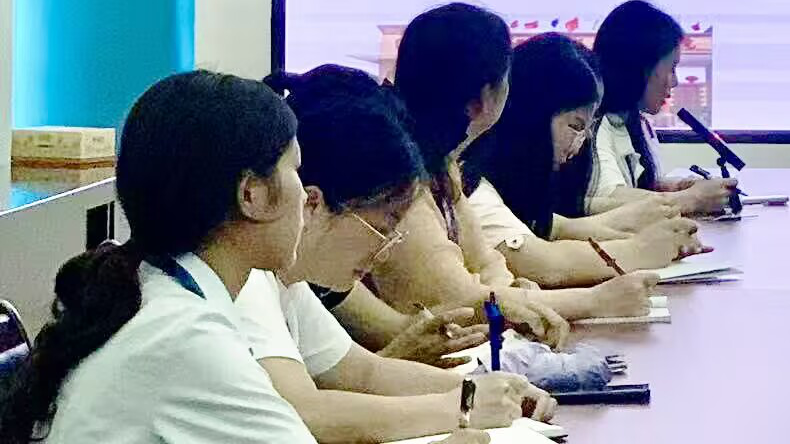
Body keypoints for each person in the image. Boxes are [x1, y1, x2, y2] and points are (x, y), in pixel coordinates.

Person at [0, 71, 471, 444]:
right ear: (252, 195)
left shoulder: (163, 290)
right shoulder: (187, 336)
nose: (306, 197)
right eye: (295, 170)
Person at [255, 68, 557, 443]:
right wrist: (460, 407)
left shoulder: (286, 281)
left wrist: (488, 389)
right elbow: (305, 413)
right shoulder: (249, 282)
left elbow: (364, 372)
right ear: (314, 204)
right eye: (382, 228)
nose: (384, 253)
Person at [364, 3, 658, 334]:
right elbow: (457, 300)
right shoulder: (399, 178)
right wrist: (594, 300)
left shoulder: (444, 166)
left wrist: (512, 296)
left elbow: (488, 263)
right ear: (484, 98)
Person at [465, 32, 705, 285]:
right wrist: (640, 249)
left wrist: (647, 238)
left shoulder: (513, 185)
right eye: (576, 126)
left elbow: (557, 227)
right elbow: (540, 263)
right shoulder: (469, 184)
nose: (581, 144)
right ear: (531, 117)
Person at [575, 0, 734, 216]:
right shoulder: (596, 125)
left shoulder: (635, 121)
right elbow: (609, 198)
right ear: (640, 67)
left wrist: (671, 187)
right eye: (671, 68)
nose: (674, 81)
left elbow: (633, 186)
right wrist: (691, 199)